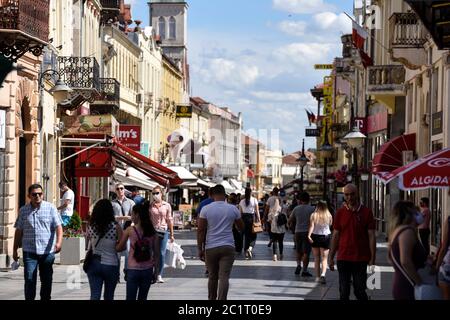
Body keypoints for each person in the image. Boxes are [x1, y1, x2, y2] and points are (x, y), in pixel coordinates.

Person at [13, 184, 63, 300]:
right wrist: (15, 249)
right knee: (30, 280)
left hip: (47, 251)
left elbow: (59, 227)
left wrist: (59, 242)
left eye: (39, 194)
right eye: (34, 194)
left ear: (43, 194)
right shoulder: (23, 210)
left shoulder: (51, 208)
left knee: (46, 281)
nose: (37, 196)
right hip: (29, 252)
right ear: (29, 196)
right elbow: (19, 231)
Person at [329, 184, 376, 300]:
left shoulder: (366, 212)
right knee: (344, 291)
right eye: (346, 195)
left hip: (360, 258)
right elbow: (335, 235)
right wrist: (331, 256)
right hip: (343, 257)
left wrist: (372, 258)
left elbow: (371, 236)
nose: (349, 197)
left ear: (357, 194)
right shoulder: (340, 213)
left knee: (359, 290)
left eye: (352, 194)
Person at [197, 185, 245, 300]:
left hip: (211, 247)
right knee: (224, 277)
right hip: (228, 246)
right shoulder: (233, 209)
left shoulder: (206, 209)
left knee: (212, 276)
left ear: (213, 195)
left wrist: (200, 248)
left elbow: (201, 230)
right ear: (224, 195)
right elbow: (241, 227)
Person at [116, 202, 159, 300]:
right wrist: (156, 272)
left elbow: (119, 248)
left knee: (130, 298)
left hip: (132, 269)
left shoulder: (130, 230)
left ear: (137, 215)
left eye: (132, 214)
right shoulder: (153, 232)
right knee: (143, 298)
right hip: (147, 270)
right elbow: (157, 254)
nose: (131, 217)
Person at [388, 201, 427, 300]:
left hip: (402, 283)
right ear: (409, 213)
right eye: (415, 211)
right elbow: (405, 261)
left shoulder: (398, 231)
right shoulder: (407, 232)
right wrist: (419, 282)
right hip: (408, 286)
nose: (419, 214)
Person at [86, 199, 122, 300]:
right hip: (111, 264)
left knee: (94, 295)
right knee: (109, 296)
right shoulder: (116, 227)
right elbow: (122, 246)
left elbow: (87, 243)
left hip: (94, 263)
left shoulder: (91, 226)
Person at [149, 186, 174, 284]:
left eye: (157, 193)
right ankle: (153, 273)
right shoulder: (150, 206)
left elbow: (169, 219)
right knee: (152, 253)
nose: (155, 195)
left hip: (163, 231)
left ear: (161, 194)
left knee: (161, 253)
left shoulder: (167, 205)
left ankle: (159, 274)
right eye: (153, 193)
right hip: (152, 231)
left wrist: (172, 234)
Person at [111, 183, 135, 281]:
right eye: (118, 189)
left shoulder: (131, 202)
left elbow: (134, 216)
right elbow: (111, 217)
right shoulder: (112, 203)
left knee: (128, 252)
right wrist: (124, 217)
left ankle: (126, 271)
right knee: (116, 253)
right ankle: (116, 274)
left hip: (127, 230)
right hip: (116, 231)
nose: (120, 190)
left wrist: (132, 223)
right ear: (115, 191)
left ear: (124, 190)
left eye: (122, 188)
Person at [288, 191, 315, 277]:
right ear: (308, 199)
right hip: (308, 233)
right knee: (306, 252)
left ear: (300, 200)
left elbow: (290, 220)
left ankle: (298, 265)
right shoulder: (312, 209)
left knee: (298, 250)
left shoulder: (296, 208)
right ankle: (304, 270)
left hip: (297, 232)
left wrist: (290, 226)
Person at [307, 200, 333, 284]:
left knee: (316, 258)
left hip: (315, 236)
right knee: (324, 258)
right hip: (326, 236)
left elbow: (311, 226)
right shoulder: (329, 215)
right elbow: (330, 225)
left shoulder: (313, 215)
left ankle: (317, 277)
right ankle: (323, 274)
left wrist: (309, 235)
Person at [238, 188, 260, 259]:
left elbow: (240, 213)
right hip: (252, 218)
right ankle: (250, 248)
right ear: (251, 193)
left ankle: (246, 253)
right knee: (253, 235)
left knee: (246, 236)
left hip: (244, 219)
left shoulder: (241, 201)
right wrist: (259, 220)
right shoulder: (254, 200)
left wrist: (239, 221)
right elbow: (257, 211)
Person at [435, 214, 450, 299]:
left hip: (448, 265)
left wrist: (437, 267)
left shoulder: (449, 220)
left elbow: (444, 247)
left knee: (446, 296)